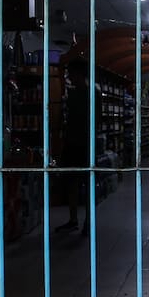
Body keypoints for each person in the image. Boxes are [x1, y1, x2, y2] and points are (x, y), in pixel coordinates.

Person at [56, 58, 91, 232]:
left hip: (75, 144)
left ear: (77, 74)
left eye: (70, 73)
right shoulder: (94, 93)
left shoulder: (76, 94)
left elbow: (66, 119)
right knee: (85, 182)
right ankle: (85, 221)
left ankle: (75, 219)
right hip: (86, 145)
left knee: (73, 183)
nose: (68, 77)